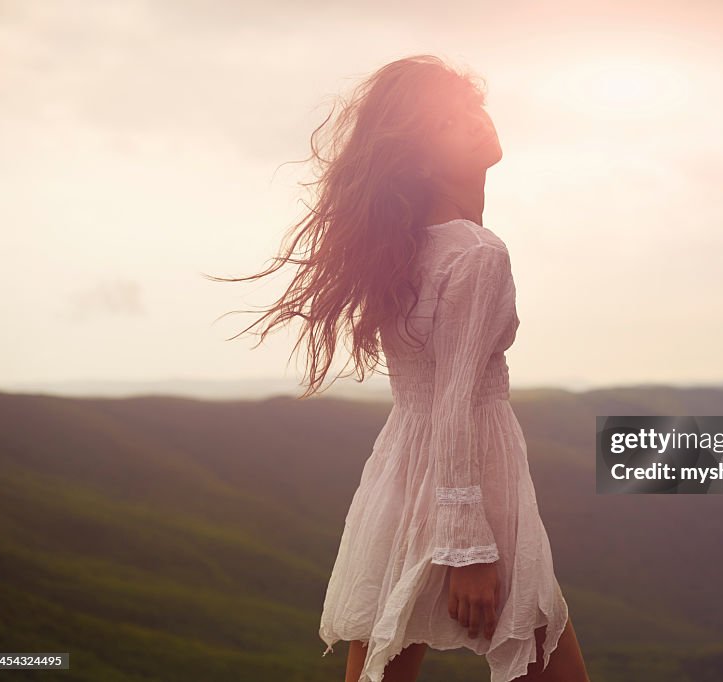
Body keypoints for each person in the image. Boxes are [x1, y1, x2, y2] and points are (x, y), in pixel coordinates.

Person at [207, 54, 590, 682]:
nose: (472, 121)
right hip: (470, 479)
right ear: (417, 158)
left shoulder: (409, 247)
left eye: (470, 106)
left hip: (405, 468)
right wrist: (466, 546)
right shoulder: (476, 254)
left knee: (382, 664)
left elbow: (435, 399)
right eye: (447, 121)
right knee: (540, 655)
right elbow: (456, 401)